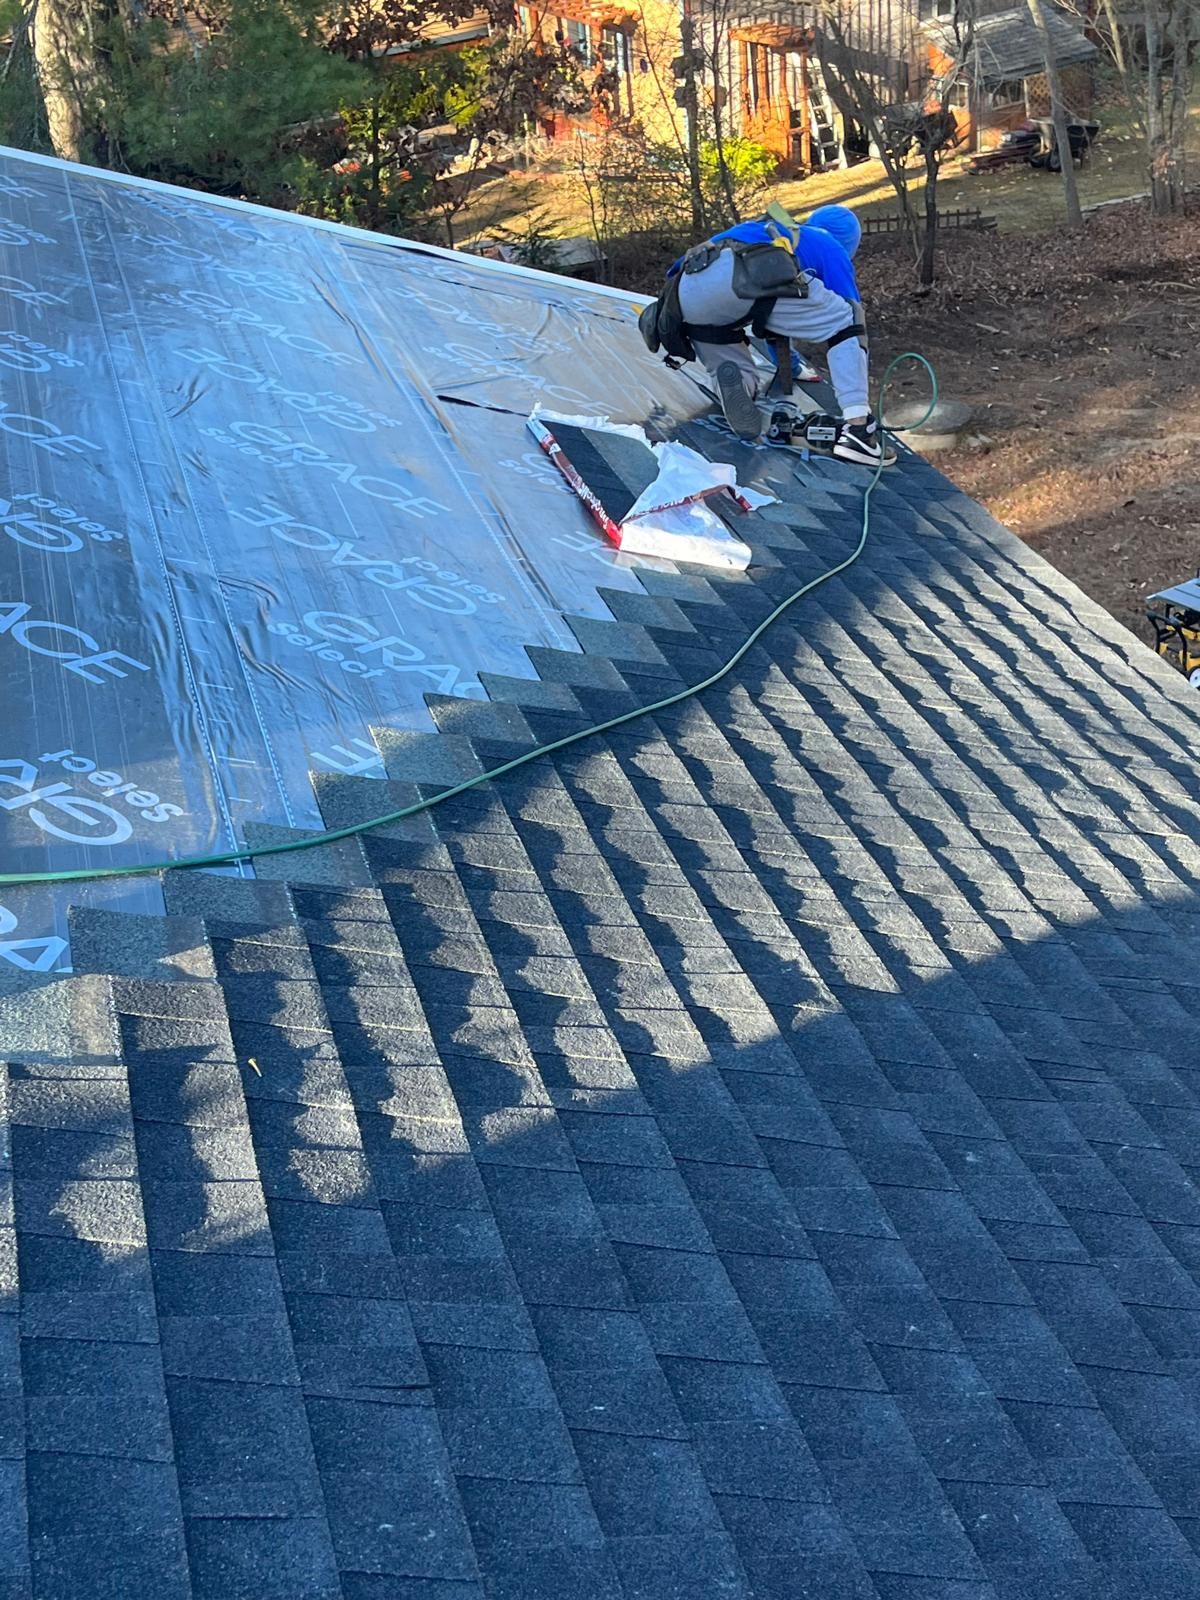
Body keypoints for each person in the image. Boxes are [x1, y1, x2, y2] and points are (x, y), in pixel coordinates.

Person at [667, 203, 884, 467]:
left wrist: (791, 367)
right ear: (849, 242)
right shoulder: (831, 246)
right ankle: (859, 429)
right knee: (846, 320)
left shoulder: (772, 231)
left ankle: (740, 385)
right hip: (742, 276)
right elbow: (851, 315)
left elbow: (776, 321)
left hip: (685, 292)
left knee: (731, 349)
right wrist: (856, 393)